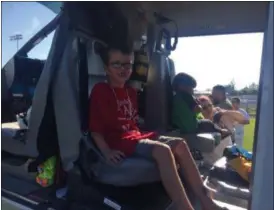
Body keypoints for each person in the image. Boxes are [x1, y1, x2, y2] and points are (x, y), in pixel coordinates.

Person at [89, 43, 227, 210]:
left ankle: (207, 203)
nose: (123, 68)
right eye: (116, 64)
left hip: (135, 136)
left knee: (180, 145)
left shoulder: (130, 92)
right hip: (118, 140)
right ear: (106, 68)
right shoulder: (101, 90)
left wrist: (144, 135)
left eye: (127, 64)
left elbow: (132, 122)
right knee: (163, 150)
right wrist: (106, 151)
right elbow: (96, 129)